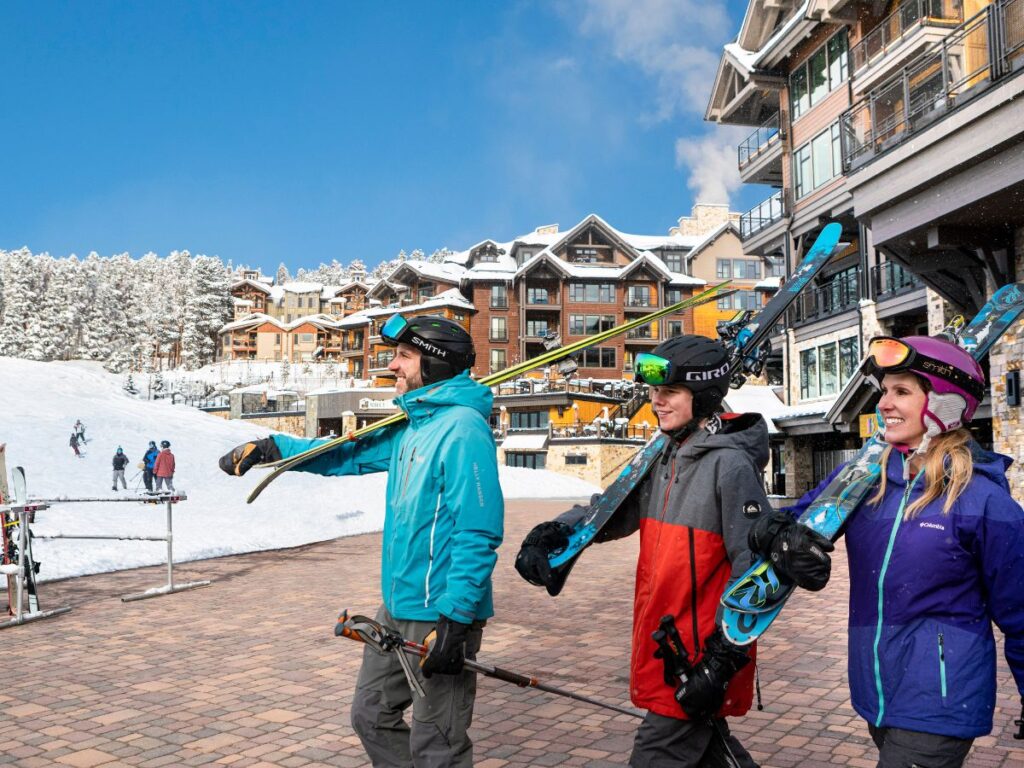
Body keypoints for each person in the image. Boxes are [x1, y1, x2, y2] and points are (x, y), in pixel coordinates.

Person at [219, 314, 503, 768]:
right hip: (398, 604)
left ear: (433, 365)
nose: (394, 366)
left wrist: (457, 618)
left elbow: (478, 530)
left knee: (438, 744)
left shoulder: (462, 430)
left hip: (441, 612)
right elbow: (346, 454)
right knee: (371, 715)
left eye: (404, 357)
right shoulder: (415, 427)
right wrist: (275, 449)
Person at [749, 335, 1024, 768]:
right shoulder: (864, 479)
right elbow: (801, 521)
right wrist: (773, 533)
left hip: (942, 696)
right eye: (884, 392)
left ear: (945, 404)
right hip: (877, 688)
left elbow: (1021, 612)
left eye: (902, 392)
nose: (884, 404)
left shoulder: (984, 502)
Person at [516, 335, 774, 768]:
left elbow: (757, 569)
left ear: (704, 395)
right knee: (710, 752)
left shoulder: (729, 465)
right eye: (654, 392)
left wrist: (722, 659)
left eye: (669, 392)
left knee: (656, 754)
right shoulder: (666, 457)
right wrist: (553, 532)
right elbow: (609, 511)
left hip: (699, 654)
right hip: (667, 646)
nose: (656, 402)